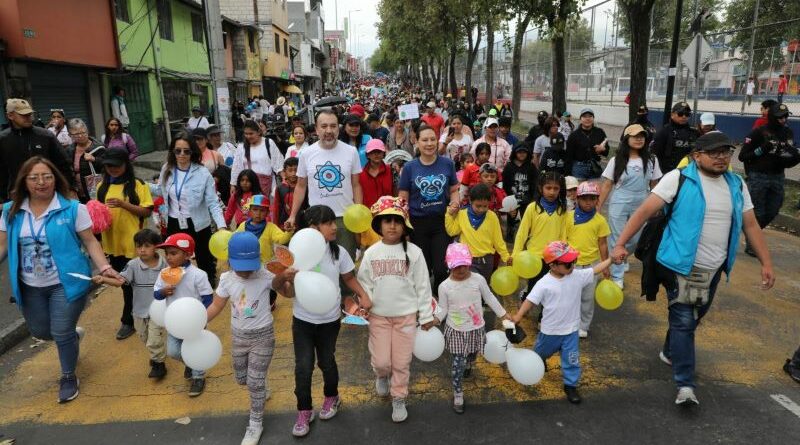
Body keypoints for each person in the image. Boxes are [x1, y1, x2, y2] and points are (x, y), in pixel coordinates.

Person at [611, 131, 775, 406]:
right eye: (714, 152)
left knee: (693, 318)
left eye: (726, 151)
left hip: (714, 268)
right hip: (680, 265)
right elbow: (643, 212)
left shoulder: (736, 184)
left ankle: (670, 349)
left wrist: (766, 263)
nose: (721, 157)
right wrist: (621, 245)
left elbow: (751, 225)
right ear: (696, 156)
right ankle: (685, 385)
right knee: (685, 321)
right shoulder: (679, 178)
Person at [0, 157, 122, 403]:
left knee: (61, 329)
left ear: (56, 179)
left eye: (47, 176)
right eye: (34, 177)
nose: (41, 182)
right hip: (30, 286)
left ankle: (68, 375)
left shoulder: (73, 208)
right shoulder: (10, 211)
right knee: (42, 331)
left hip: (66, 282)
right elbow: (2, 244)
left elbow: (90, 241)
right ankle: (71, 337)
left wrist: (105, 267)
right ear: (24, 181)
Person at [272, 205, 372, 438]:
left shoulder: (339, 253)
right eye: (327, 223)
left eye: (333, 222)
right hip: (303, 321)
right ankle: (304, 410)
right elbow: (285, 292)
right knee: (303, 366)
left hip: (329, 320)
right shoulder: (295, 255)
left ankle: (331, 397)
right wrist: (282, 278)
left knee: (326, 361)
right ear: (312, 228)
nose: (334, 227)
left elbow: (348, 277)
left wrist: (363, 295)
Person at [357, 196, 436, 423]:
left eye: (397, 221)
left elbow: (422, 286)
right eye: (387, 221)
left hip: (406, 317)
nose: (392, 226)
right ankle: (381, 375)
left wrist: (427, 315)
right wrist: (363, 305)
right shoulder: (371, 253)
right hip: (378, 316)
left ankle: (399, 397)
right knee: (382, 361)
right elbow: (364, 284)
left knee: (401, 362)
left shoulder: (414, 252)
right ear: (379, 225)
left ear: (404, 226)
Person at [511, 241, 613, 404]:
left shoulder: (577, 276)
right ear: (552, 265)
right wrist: (518, 316)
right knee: (539, 354)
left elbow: (594, 270)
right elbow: (530, 300)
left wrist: (611, 260)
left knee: (572, 359)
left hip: (571, 330)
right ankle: (539, 360)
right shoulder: (544, 283)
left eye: (573, 261)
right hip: (550, 331)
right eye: (567, 263)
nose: (571, 265)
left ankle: (570, 385)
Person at [206, 231, 277, 445]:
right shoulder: (227, 279)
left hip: (263, 335)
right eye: (240, 265)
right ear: (229, 261)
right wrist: (200, 320)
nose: (246, 272)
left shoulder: (266, 275)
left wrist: (286, 278)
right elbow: (217, 304)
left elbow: (287, 291)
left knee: (254, 384)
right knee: (242, 379)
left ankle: (255, 424)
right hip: (239, 337)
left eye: (250, 265)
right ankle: (260, 383)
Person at [437, 243, 509, 413]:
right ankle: (458, 392)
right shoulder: (444, 286)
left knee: (472, 353)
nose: (461, 270)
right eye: (456, 266)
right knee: (457, 364)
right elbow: (443, 308)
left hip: (476, 328)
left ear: (469, 262)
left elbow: (489, 297)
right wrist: (434, 320)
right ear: (449, 265)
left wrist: (504, 314)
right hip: (456, 331)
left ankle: (469, 362)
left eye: (464, 265)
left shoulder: (478, 280)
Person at [285, 110, 363, 262]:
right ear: (316, 129)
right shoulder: (306, 154)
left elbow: (356, 185)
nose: (329, 131)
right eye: (324, 126)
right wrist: (293, 215)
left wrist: (358, 212)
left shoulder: (351, 152)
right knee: (319, 265)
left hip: (345, 219)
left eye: (333, 126)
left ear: (338, 128)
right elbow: (300, 187)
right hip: (317, 219)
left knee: (346, 265)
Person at [92, 229, 167, 379]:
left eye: (147, 246)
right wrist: (104, 279)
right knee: (145, 337)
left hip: (158, 311)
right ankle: (156, 355)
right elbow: (120, 281)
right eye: (139, 246)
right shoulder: (132, 265)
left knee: (154, 339)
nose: (142, 250)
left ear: (156, 247)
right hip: (139, 311)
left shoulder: (164, 265)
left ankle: (159, 364)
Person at [97, 148, 154, 340]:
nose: (112, 169)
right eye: (108, 166)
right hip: (114, 246)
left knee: (135, 284)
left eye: (116, 165)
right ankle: (136, 317)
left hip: (137, 247)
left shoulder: (138, 185)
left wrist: (123, 205)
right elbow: (98, 215)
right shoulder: (101, 187)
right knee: (126, 284)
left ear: (125, 165)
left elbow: (146, 212)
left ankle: (129, 321)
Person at [598, 124, 662, 289]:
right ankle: (617, 276)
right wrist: (598, 207)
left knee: (636, 239)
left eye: (642, 136)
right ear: (626, 139)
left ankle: (623, 257)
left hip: (641, 203)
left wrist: (658, 206)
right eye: (635, 136)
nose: (639, 139)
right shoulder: (616, 160)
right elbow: (607, 185)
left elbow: (655, 184)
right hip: (619, 202)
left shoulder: (652, 160)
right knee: (617, 239)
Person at [158, 134, 227, 287]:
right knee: (175, 259)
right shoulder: (167, 169)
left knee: (204, 259)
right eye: (178, 151)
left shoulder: (202, 174)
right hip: (174, 222)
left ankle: (207, 286)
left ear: (193, 152)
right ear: (172, 152)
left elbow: (213, 203)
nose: (182, 155)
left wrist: (221, 226)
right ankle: (181, 286)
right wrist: (139, 185)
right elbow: (160, 190)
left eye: (186, 151)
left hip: (198, 224)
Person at [399, 125, 460, 297]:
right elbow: (403, 199)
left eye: (433, 139)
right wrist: (404, 227)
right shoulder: (409, 168)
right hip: (418, 224)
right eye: (425, 140)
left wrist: (455, 203)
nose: (429, 143)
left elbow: (454, 190)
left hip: (442, 223)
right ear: (416, 141)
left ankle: (440, 298)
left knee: (442, 268)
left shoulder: (447, 164)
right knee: (422, 269)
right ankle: (425, 302)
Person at [153, 233, 215, 397]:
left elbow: (208, 298)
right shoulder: (164, 273)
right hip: (174, 322)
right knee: (173, 351)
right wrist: (163, 292)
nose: (169, 257)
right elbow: (156, 295)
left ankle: (198, 376)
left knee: (194, 348)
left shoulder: (198, 274)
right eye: (167, 253)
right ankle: (190, 361)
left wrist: (200, 317)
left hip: (194, 322)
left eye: (174, 253)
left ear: (188, 254)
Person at [739, 103, 800, 256]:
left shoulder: (788, 133)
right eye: (780, 117)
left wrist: (795, 157)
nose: (783, 119)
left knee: (773, 209)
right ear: (772, 117)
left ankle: (750, 231)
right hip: (758, 175)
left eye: (786, 116)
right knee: (758, 211)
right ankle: (753, 243)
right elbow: (743, 157)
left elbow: (787, 160)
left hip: (778, 176)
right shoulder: (758, 132)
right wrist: (762, 149)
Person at [0, 99, 74, 202]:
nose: (28, 117)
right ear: (10, 116)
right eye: (23, 115)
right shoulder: (3, 139)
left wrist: (69, 189)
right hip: (16, 198)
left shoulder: (45, 136)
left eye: (29, 114)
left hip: (48, 194)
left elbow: (64, 165)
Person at [565, 182, 610, 338]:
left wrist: (605, 265)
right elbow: (563, 240)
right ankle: (569, 323)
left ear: (597, 200)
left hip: (592, 266)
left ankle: (583, 326)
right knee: (570, 296)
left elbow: (602, 244)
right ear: (577, 199)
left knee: (587, 298)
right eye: (584, 198)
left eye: (592, 198)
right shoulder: (567, 217)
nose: (588, 202)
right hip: (571, 264)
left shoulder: (600, 221)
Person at [512, 172, 568, 297]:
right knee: (534, 289)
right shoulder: (532, 208)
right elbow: (522, 232)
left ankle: (543, 315)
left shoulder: (562, 210)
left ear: (560, 190)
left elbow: (564, 235)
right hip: (534, 258)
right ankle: (526, 298)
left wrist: (563, 255)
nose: (552, 192)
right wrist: (515, 254)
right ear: (540, 188)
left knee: (552, 290)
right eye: (548, 188)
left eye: (556, 188)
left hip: (554, 258)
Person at [445, 183, 510, 287]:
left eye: (485, 206)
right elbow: (452, 231)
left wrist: (506, 257)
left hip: (487, 260)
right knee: (470, 287)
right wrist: (449, 214)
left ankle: (481, 303)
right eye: (478, 206)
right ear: (471, 201)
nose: (481, 209)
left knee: (483, 287)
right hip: (467, 260)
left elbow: (498, 240)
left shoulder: (492, 217)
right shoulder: (461, 214)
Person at [230, 120, 285, 198]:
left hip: (269, 187)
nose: (248, 136)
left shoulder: (268, 143)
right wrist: (233, 185)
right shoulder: (241, 147)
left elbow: (278, 164)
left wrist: (284, 179)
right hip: (248, 187)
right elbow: (236, 168)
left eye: (251, 133)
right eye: (246, 134)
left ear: (259, 132)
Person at [234, 194, 291, 264]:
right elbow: (235, 240)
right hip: (247, 264)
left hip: (265, 266)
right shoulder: (243, 226)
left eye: (262, 210)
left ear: (267, 212)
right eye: (255, 210)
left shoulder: (271, 228)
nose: (258, 213)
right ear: (250, 211)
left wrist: (288, 231)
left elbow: (282, 239)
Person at [502, 144, 538, 239]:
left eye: (524, 152)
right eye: (519, 152)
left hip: (526, 198)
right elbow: (505, 185)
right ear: (515, 153)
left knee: (527, 219)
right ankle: (509, 236)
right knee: (511, 219)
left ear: (528, 153)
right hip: (512, 198)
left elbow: (535, 184)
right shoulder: (509, 167)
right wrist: (507, 200)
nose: (522, 154)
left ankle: (526, 237)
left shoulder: (531, 167)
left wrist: (534, 198)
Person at [65, 118, 105, 202]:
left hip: (95, 188)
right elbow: (67, 170)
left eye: (83, 132)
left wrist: (94, 159)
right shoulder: (70, 149)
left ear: (87, 131)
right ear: (70, 135)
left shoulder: (99, 147)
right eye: (76, 134)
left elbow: (108, 165)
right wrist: (71, 188)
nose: (80, 136)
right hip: (78, 190)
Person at [651, 102, 698, 174]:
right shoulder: (664, 132)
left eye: (687, 114)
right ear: (672, 115)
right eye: (680, 114)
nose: (684, 116)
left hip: (688, 172)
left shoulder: (694, 133)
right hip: (667, 173)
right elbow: (655, 154)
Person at [565, 108, 608, 180]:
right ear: (580, 119)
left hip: (595, 168)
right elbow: (568, 156)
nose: (587, 119)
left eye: (590, 116)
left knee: (594, 191)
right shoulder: (574, 135)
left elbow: (606, 152)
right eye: (584, 116)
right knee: (579, 190)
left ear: (593, 118)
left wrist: (603, 149)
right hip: (578, 169)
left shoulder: (600, 132)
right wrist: (567, 174)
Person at [360, 139, 393, 209]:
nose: (376, 154)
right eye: (372, 152)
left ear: (383, 153)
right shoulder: (360, 174)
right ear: (367, 155)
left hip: (388, 213)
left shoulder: (391, 170)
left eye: (379, 151)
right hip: (368, 214)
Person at [273, 157, 306, 228]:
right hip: (284, 225)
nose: (294, 173)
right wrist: (275, 227)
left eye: (296, 170)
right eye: (290, 170)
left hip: (302, 224)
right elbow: (276, 209)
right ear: (284, 172)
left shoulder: (305, 187)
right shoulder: (280, 188)